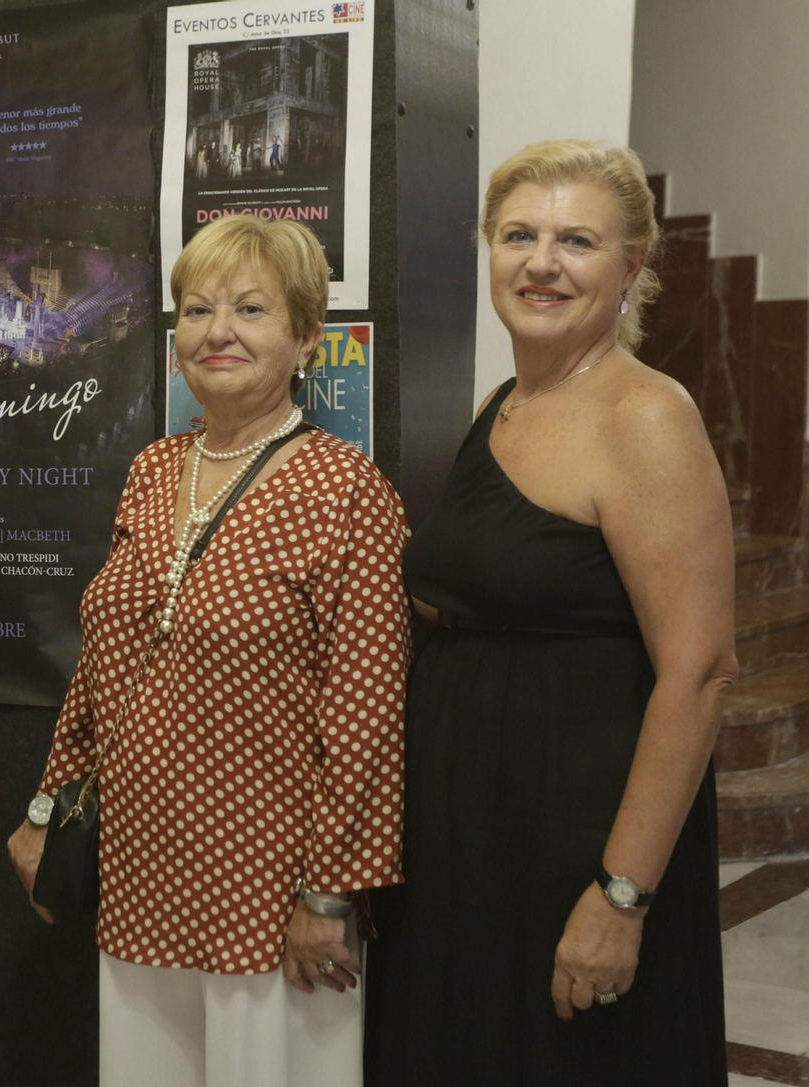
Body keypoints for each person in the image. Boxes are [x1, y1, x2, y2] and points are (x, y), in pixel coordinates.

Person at [7, 215, 411, 1087]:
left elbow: (367, 709)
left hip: (270, 890)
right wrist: (48, 806)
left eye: (250, 309)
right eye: (196, 309)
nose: (217, 331)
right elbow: (105, 664)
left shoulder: (347, 488)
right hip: (141, 864)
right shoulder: (155, 468)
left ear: (307, 337)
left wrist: (328, 893)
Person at [365, 140, 733, 1085]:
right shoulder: (503, 405)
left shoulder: (645, 416)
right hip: (467, 839)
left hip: (574, 842)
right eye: (519, 234)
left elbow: (699, 672)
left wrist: (622, 894)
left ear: (632, 265)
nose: (542, 262)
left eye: (577, 240)